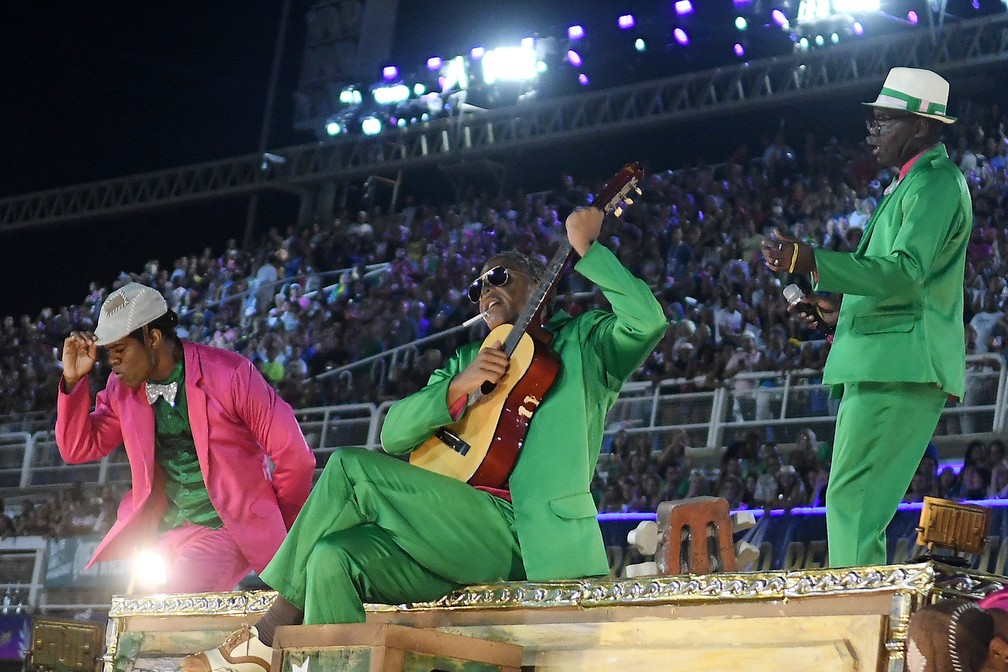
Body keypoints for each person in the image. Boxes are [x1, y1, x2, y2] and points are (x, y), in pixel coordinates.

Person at [182, 206, 668, 672]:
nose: (484, 292)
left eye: (499, 277)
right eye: (478, 286)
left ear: (541, 287)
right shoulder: (465, 362)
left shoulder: (584, 343)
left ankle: (267, 634)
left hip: (526, 535)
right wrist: (459, 387)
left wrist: (590, 251)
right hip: (448, 528)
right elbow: (394, 433)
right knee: (333, 558)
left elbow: (648, 322)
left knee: (350, 467)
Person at [760, 67, 971, 567]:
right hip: (885, 358)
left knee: (853, 504)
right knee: (853, 504)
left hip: (897, 364)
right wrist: (840, 311)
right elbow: (900, 281)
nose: (871, 133)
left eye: (883, 122)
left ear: (920, 126)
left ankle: (858, 625)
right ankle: (862, 618)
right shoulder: (912, 184)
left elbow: (905, 273)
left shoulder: (936, 184)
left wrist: (814, 262)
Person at [56, 282, 316, 593]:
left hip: (225, 526)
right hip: (163, 534)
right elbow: (77, 448)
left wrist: (273, 524)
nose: (112, 361)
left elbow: (296, 458)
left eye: (120, 349)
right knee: (137, 627)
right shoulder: (120, 388)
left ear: (153, 337)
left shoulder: (231, 374)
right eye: (109, 351)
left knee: (173, 610)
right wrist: (72, 381)